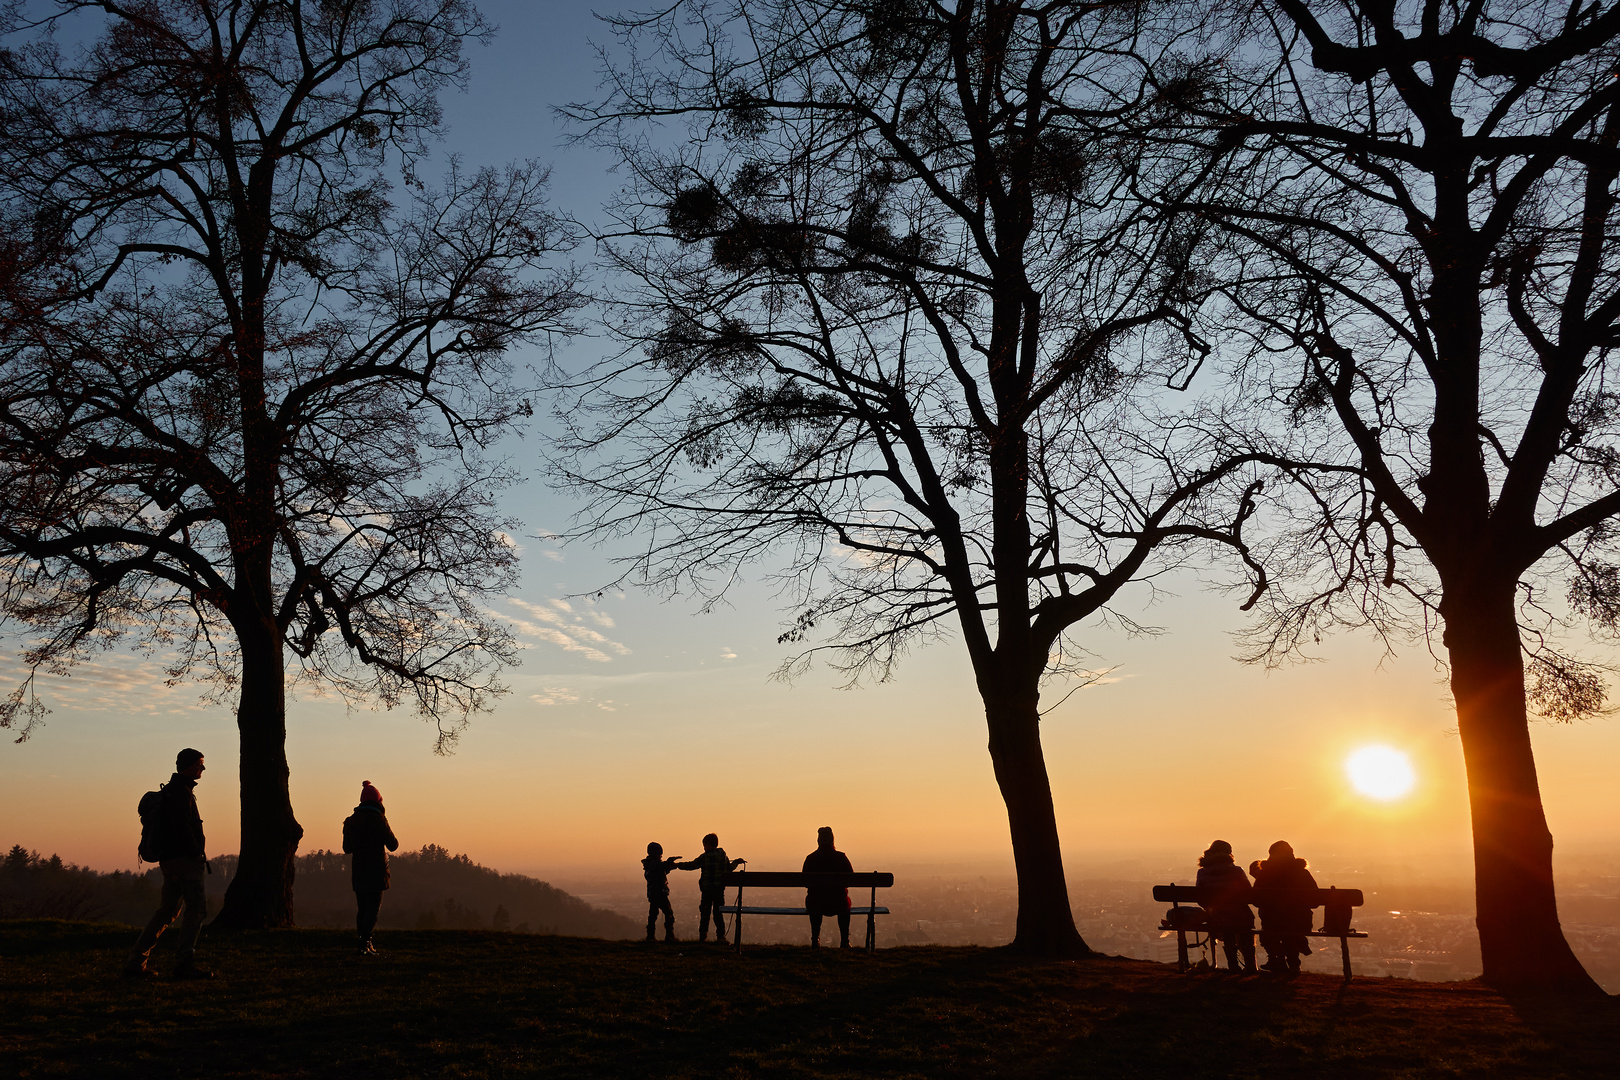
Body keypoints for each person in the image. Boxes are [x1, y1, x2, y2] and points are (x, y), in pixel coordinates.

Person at [123, 748, 212, 979]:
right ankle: (184, 964)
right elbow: (182, 828)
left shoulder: (173, 791)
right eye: (200, 764)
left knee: (167, 911)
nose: (202, 768)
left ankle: (135, 963)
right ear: (190, 766)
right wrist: (195, 852)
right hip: (185, 862)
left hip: (171, 862)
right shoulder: (181, 793)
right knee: (196, 909)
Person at [341, 780, 399, 956]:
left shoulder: (350, 822)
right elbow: (393, 845)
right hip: (376, 871)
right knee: (372, 910)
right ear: (378, 801)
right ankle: (365, 943)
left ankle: (363, 943)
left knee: (363, 909)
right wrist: (385, 820)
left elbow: (347, 848)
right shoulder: (379, 820)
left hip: (359, 870)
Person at [1250, 840, 1319, 975]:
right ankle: (1293, 963)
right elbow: (1315, 901)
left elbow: (1256, 900)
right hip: (1300, 922)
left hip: (1272, 922)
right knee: (1290, 930)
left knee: (1272, 925)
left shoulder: (1265, 874)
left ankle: (1277, 961)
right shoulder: (1302, 873)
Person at [1195, 839, 1255, 972]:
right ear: (1229, 854)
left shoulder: (1202, 872)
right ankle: (1251, 966)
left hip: (1217, 917)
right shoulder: (1237, 871)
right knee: (1245, 923)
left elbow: (1201, 898)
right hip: (1240, 917)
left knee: (1227, 927)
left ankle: (1233, 966)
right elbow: (1248, 894)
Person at [678, 833, 745, 943]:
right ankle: (721, 936)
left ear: (707, 845)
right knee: (718, 913)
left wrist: (678, 865)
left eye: (704, 845)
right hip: (719, 890)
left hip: (707, 890)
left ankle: (703, 936)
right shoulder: (723, 856)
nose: (704, 848)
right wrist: (736, 862)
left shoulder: (704, 857)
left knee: (705, 913)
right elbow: (730, 868)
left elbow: (692, 865)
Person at [802, 826, 853, 949]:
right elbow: (851, 879)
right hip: (838, 903)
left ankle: (815, 939)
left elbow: (805, 882)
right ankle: (845, 940)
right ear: (832, 840)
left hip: (816, 903)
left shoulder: (811, 859)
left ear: (818, 841)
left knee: (814, 902)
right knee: (845, 904)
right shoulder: (841, 858)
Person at [642, 842, 682, 942]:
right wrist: (670, 862)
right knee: (669, 914)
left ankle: (650, 936)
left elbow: (661, 870)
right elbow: (661, 867)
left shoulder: (650, 864)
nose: (661, 856)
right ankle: (669, 936)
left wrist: (668, 866)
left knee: (653, 915)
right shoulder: (655, 863)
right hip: (660, 893)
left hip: (653, 893)